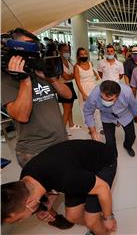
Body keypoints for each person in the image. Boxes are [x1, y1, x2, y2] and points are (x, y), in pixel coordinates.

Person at [1, 28, 73, 229]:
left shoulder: (39, 69)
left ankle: (59, 209)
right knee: (37, 195)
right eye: (23, 48)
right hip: (35, 150)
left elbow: (67, 95)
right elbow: (21, 114)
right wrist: (24, 79)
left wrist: (51, 77)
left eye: (32, 49)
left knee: (59, 185)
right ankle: (50, 216)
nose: (28, 54)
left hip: (59, 142)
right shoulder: (4, 78)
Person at [1, 139, 117, 235]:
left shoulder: (67, 178)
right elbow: (48, 187)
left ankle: (100, 227)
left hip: (103, 163)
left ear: (29, 202)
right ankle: (97, 222)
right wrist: (42, 208)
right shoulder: (25, 180)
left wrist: (109, 217)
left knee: (91, 221)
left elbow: (103, 188)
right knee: (72, 217)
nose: (20, 221)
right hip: (78, 169)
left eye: (18, 219)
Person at [84, 80, 137, 158]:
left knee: (131, 136)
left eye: (110, 100)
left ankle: (127, 146)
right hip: (107, 117)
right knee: (110, 142)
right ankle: (113, 156)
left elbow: (134, 105)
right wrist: (93, 131)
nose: (105, 101)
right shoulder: (94, 96)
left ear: (117, 96)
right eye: (102, 98)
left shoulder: (127, 92)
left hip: (125, 114)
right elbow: (88, 112)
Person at [74, 47, 102, 132]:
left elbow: (91, 70)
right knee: (85, 109)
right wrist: (83, 94)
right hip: (84, 89)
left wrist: (96, 74)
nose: (84, 55)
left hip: (93, 88)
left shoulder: (90, 63)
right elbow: (78, 82)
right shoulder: (77, 67)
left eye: (85, 53)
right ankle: (89, 127)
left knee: (97, 108)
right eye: (81, 54)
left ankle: (100, 127)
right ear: (78, 56)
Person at [57, 43, 81, 131]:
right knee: (66, 110)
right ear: (59, 51)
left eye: (68, 50)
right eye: (65, 51)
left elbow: (73, 74)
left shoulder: (68, 61)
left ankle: (71, 124)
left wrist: (71, 75)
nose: (67, 52)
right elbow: (66, 77)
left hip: (70, 85)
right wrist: (72, 75)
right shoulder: (58, 62)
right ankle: (62, 131)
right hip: (63, 87)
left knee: (70, 107)